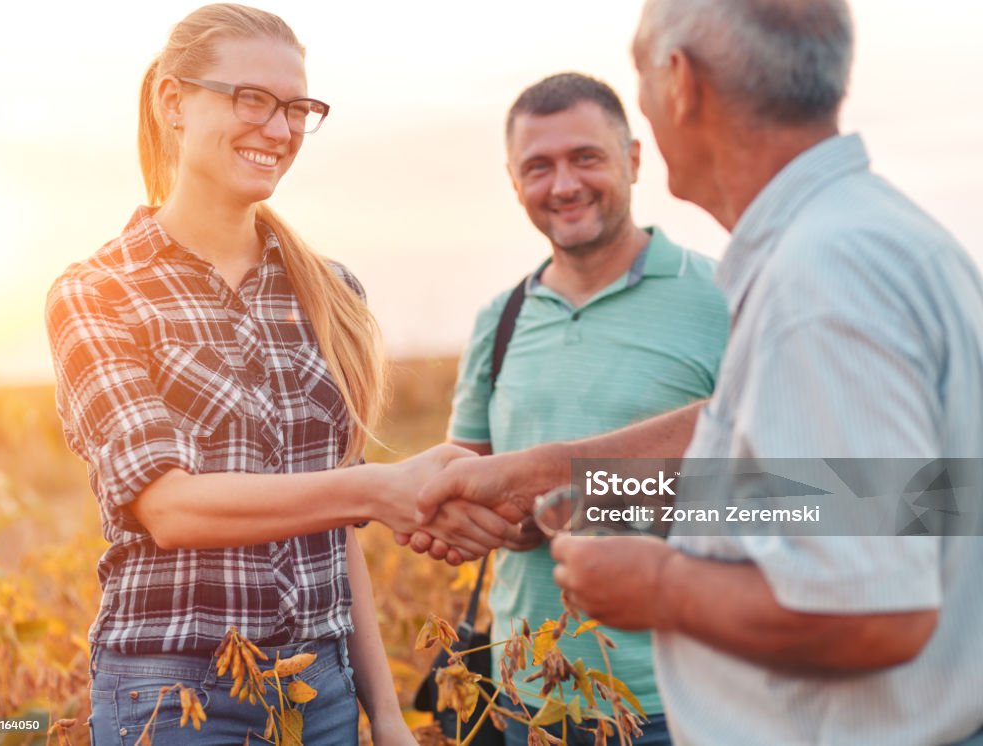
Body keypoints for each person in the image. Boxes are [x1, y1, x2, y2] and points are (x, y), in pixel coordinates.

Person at [414, 1, 983, 744]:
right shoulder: (865, 237)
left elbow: (880, 612)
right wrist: (554, 480)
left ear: (679, 81)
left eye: (642, 83)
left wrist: (661, 587)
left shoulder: (820, 281)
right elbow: (848, 496)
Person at [45, 5, 510, 744]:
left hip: (320, 692)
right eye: (251, 99)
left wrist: (384, 715)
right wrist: (379, 489)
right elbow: (169, 509)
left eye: (297, 108)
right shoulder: (100, 291)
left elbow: (334, 528)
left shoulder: (331, 291)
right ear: (174, 102)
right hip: (173, 697)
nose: (280, 129)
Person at [444, 72, 727, 745]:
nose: (563, 185)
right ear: (514, 183)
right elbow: (470, 479)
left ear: (632, 158)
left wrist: (575, 499)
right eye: (538, 168)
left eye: (586, 158)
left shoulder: (727, 294)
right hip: (525, 701)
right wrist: (484, 519)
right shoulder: (500, 318)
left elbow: (799, 488)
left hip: (687, 700)